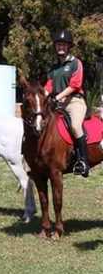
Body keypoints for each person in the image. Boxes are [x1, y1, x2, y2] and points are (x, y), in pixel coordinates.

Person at [45, 29, 88, 176]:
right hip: (58, 104)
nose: (60, 47)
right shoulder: (54, 68)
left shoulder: (76, 63)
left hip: (75, 102)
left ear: (69, 46)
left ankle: (83, 161)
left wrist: (58, 97)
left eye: (63, 45)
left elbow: (75, 85)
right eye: (58, 45)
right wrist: (41, 97)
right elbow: (49, 86)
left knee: (75, 126)